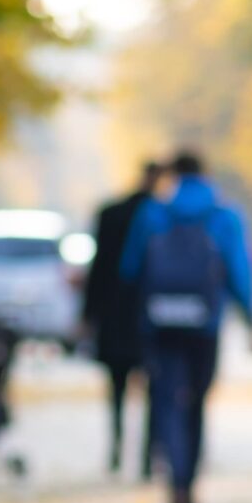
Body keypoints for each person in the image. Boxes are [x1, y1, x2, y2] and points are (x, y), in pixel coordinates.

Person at [121, 150, 252, 503]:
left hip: (160, 322)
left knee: (165, 401)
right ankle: (188, 484)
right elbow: (239, 271)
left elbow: (130, 268)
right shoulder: (224, 216)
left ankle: (173, 482)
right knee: (196, 403)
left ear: (173, 175)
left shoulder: (154, 213)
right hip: (205, 323)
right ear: (206, 172)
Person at [82, 161, 163, 475]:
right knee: (153, 388)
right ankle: (147, 455)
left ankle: (116, 448)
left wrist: (88, 313)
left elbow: (98, 267)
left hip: (114, 313)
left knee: (116, 387)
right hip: (149, 313)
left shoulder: (110, 213)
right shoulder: (160, 216)